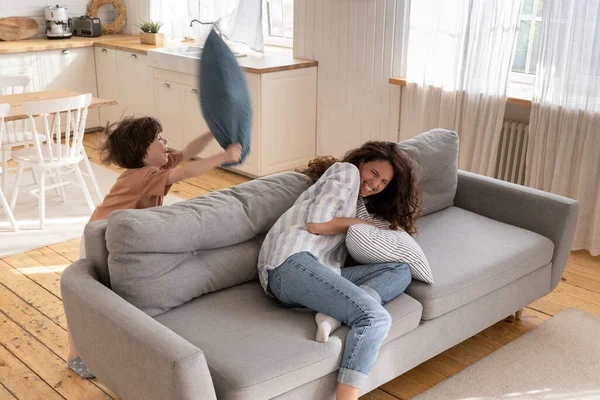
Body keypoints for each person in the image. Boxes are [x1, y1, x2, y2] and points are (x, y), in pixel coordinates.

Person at [68, 116, 241, 378]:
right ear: (142, 152)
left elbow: (187, 153)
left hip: (118, 239)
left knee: (105, 298)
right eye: (158, 140)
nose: (166, 142)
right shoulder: (145, 176)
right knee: (90, 299)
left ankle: (102, 346)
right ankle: (75, 354)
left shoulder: (155, 166)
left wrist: (212, 131)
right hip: (98, 240)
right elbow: (186, 172)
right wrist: (223, 157)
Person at [258, 141, 421, 400]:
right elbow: (317, 224)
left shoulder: (359, 204)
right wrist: (361, 223)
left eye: (384, 182)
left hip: (319, 271)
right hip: (290, 263)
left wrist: (373, 226)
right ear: (361, 163)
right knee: (375, 318)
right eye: (374, 173)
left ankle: (333, 315)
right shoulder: (346, 172)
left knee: (400, 270)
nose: (375, 184)